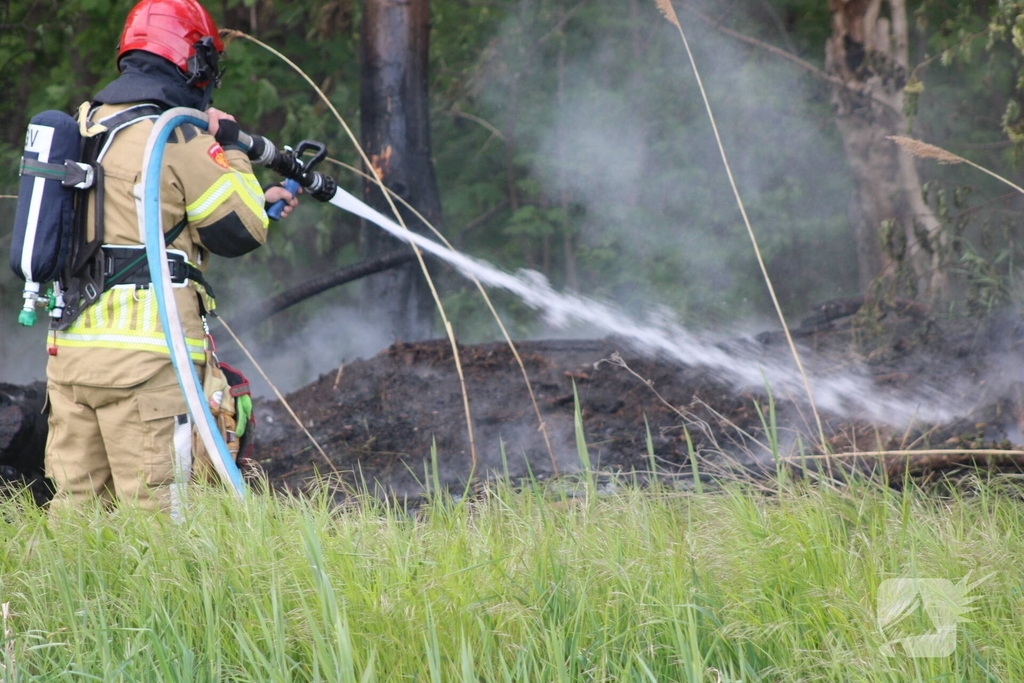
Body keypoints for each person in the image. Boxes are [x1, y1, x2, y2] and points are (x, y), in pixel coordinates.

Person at [44, 0, 297, 512]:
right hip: (149, 365)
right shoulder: (177, 133)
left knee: (77, 519)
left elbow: (146, 225)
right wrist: (231, 148)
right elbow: (241, 232)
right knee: (161, 528)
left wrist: (259, 202)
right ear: (194, 62)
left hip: (70, 359)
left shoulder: (85, 125)